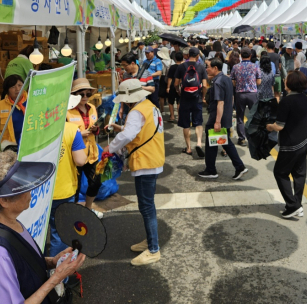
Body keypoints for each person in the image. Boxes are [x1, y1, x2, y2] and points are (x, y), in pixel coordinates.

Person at [0, 151, 85, 304]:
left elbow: (20, 263)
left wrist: (52, 262)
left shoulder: (6, 222)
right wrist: (56, 278)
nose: (30, 189)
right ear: (4, 201)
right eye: (21, 186)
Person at [105, 79, 165, 266]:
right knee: (147, 205)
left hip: (145, 161)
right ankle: (150, 240)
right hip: (153, 157)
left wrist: (110, 147)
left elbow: (129, 135)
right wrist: (121, 129)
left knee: (146, 207)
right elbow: (139, 130)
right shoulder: (150, 106)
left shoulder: (135, 112)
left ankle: (153, 249)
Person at [47, 95, 88, 257]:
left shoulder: (34, 132)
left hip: (39, 192)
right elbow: (80, 161)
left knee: (39, 235)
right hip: (64, 190)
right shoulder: (72, 130)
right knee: (60, 233)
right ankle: (60, 276)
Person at [266, 71, 307, 219]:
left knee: (280, 172)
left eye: (286, 80)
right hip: (304, 141)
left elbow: (279, 126)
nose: (284, 82)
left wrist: (269, 127)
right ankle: (297, 204)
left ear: (290, 84)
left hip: (290, 144)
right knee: (299, 174)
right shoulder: (305, 98)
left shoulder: (286, 101)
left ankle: (293, 205)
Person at [199, 58, 249, 180]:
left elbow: (220, 103)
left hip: (217, 118)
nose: (207, 69)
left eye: (209, 67)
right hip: (225, 116)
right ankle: (238, 167)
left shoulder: (217, 82)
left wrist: (217, 122)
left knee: (216, 143)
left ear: (215, 68)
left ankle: (212, 170)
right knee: (224, 143)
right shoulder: (226, 79)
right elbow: (230, 98)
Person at [67, 78, 103, 218]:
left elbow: (97, 128)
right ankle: (75, 214)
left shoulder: (92, 108)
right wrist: (79, 134)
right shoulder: (68, 111)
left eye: (88, 94)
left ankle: (88, 209)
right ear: (74, 95)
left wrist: (95, 129)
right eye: (81, 94)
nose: (85, 97)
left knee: (95, 182)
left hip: (92, 153)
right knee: (74, 187)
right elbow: (64, 133)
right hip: (75, 154)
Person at [174, 47, 208, 157]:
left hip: (184, 97)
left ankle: (188, 148)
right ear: (198, 56)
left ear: (188, 55)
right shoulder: (201, 67)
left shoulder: (181, 66)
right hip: (196, 97)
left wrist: (178, 90)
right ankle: (198, 143)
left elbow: (176, 83)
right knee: (198, 122)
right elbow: (205, 85)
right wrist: (202, 96)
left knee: (186, 124)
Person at [231, 47, 262, 146]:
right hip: (252, 93)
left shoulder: (235, 67)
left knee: (240, 117)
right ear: (250, 55)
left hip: (240, 94)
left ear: (240, 55)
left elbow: (233, 82)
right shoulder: (255, 66)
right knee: (253, 117)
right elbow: (259, 81)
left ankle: (241, 138)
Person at [0, 75, 26, 153]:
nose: (17, 89)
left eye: (19, 85)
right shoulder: (0, 105)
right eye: (13, 87)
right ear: (7, 90)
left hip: (29, 145)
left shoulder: (32, 101)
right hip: (9, 147)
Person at [166, 51, 183, 123]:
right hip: (181, 85)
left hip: (173, 85)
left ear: (175, 58)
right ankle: (179, 117)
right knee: (179, 102)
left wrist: (168, 87)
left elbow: (169, 78)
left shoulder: (172, 67)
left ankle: (172, 116)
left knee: (170, 102)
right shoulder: (183, 66)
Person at [157, 47, 173, 114]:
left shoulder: (161, 62)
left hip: (163, 78)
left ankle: (162, 110)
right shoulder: (172, 61)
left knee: (161, 96)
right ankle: (171, 112)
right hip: (171, 78)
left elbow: (160, 72)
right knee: (170, 95)